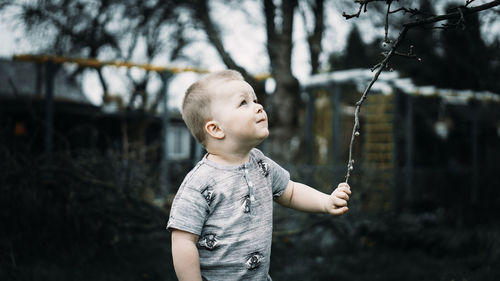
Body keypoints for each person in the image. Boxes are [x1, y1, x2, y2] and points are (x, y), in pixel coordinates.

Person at [167, 70, 351, 281]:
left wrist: (325, 202)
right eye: (243, 103)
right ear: (216, 129)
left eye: (255, 100)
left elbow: (289, 191)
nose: (259, 106)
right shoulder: (199, 183)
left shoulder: (260, 163)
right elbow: (183, 241)